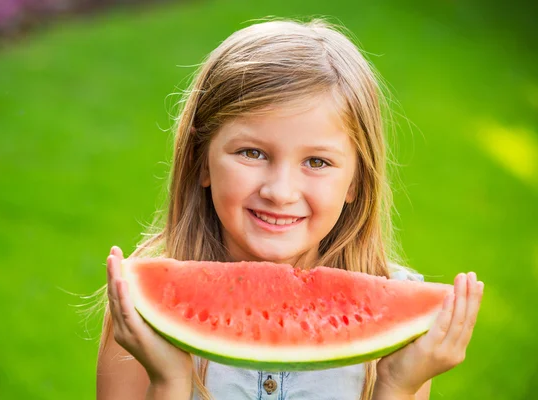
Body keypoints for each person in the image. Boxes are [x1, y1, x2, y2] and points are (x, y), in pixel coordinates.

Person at [96, 18, 484, 400]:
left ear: (355, 180)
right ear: (201, 160)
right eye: (252, 153)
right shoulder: (139, 307)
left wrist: (397, 386)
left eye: (316, 162)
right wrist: (169, 382)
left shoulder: (406, 328)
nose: (280, 192)